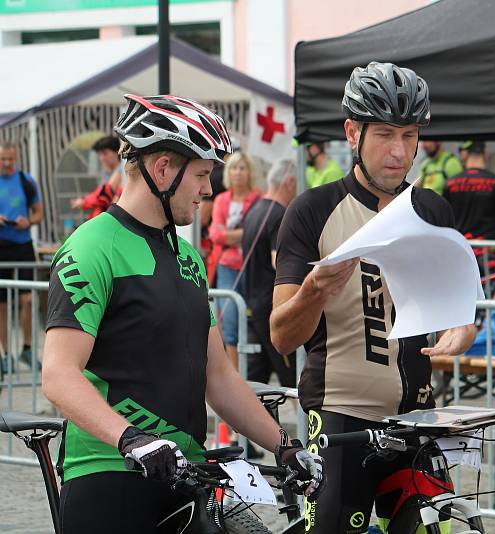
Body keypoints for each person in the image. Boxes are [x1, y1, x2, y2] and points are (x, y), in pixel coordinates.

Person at [42, 94, 324, 534]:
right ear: (162, 170)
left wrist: (284, 446)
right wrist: (130, 437)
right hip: (108, 472)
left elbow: (219, 377)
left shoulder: (187, 257)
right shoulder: (91, 248)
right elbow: (59, 374)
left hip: (184, 471)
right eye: (201, 174)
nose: (209, 190)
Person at [270, 61, 476, 533]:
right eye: (385, 134)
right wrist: (311, 293)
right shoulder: (312, 210)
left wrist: (460, 329)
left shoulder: (433, 210)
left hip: (418, 418)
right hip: (342, 417)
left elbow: (456, 313)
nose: (399, 152)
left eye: (409, 135)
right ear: (351, 132)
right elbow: (281, 335)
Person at [241, 158, 298, 389]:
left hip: (252, 306)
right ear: (290, 182)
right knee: (293, 382)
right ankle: (303, 427)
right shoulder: (280, 215)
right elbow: (280, 262)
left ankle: (246, 428)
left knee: (258, 388)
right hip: (271, 309)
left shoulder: (254, 210)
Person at [208, 151, 261, 369]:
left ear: (250, 172)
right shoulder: (221, 200)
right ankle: (235, 372)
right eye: (233, 168)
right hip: (227, 266)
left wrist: (232, 234)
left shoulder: (259, 199)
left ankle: (257, 369)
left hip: (254, 265)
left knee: (256, 318)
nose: (238, 173)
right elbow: (214, 234)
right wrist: (241, 234)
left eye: (242, 168)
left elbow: (257, 232)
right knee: (228, 317)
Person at [0, 141, 43, 371]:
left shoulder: (26, 181)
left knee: (28, 299)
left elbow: (39, 213)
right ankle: (5, 354)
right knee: (2, 304)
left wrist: (29, 221)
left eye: (10, 159)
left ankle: (26, 348)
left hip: (23, 243)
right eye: (2, 159)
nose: (7, 163)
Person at [442, 140, 495, 239]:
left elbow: (443, 218)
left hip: (461, 245)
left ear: (465, 155)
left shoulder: (450, 183)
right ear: (485, 155)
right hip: (487, 247)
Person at [71, 135, 125, 219]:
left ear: (117, 152)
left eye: (105, 153)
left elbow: (105, 192)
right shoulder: (108, 173)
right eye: (100, 154)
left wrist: (84, 202)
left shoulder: (121, 170)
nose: (101, 158)